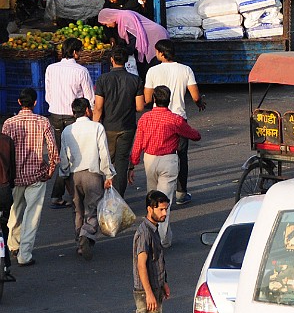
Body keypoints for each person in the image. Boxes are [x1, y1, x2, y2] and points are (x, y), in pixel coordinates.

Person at [129, 87, 201, 248]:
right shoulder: (174, 119)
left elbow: (138, 143)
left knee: (153, 200)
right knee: (163, 203)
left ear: (154, 99)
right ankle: (160, 240)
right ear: (169, 100)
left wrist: (132, 164)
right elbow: (194, 135)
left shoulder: (145, 119)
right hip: (168, 160)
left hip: (150, 160)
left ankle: (157, 235)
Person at [143, 39, 205, 206]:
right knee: (181, 156)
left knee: (161, 152)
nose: (156, 55)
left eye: (156, 52)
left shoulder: (152, 71)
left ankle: (157, 193)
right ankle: (181, 192)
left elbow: (148, 98)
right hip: (178, 118)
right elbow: (196, 96)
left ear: (162, 53)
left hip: (158, 118)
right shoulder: (186, 70)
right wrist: (200, 104)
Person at [2, 87, 59, 266]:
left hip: (14, 177)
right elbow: (52, 149)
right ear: (35, 103)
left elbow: (3, 152)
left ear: (19, 102)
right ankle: (24, 255)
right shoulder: (42, 121)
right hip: (36, 176)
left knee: (15, 212)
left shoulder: (9, 123)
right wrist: (50, 169)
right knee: (31, 216)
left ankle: (12, 245)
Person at [122, 190, 171, 313]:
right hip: (145, 292)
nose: (164, 213)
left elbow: (157, 261)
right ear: (150, 209)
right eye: (161, 209)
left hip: (155, 288)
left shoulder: (153, 229)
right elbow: (141, 265)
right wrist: (150, 293)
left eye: (166, 209)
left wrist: (164, 282)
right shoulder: (143, 233)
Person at [59, 97, 115, 261]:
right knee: (92, 209)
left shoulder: (67, 131)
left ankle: (79, 242)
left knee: (77, 210)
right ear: (88, 111)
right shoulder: (97, 127)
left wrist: (64, 175)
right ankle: (86, 234)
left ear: (73, 112)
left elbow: (64, 156)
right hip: (93, 174)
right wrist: (109, 174)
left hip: (74, 175)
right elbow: (104, 153)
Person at [44, 37, 94, 209]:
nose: (80, 54)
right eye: (79, 51)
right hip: (74, 116)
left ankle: (62, 195)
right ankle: (68, 194)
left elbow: (48, 94)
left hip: (56, 115)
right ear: (74, 52)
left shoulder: (51, 68)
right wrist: (92, 117)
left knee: (63, 155)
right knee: (74, 156)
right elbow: (89, 97)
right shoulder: (81, 71)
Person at [94, 45, 145, 196]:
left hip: (108, 126)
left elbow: (98, 107)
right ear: (126, 61)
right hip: (127, 126)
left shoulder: (103, 79)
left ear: (111, 60)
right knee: (122, 163)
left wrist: (95, 125)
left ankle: (103, 194)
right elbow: (140, 106)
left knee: (105, 161)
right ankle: (118, 197)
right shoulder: (135, 80)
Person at [97, 8, 169, 80]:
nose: (107, 26)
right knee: (144, 70)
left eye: (106, 23)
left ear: (109, 18)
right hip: (148, 38)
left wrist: (122, 53)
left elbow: (133, 39)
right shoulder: (121, 20)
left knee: (152, 67)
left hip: (155, 36)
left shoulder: (125, 17)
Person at [0, 123, 15, 279]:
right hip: (4, 190)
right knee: (3, 225)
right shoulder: (7, 141)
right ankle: (6, 264)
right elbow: (13, 169)